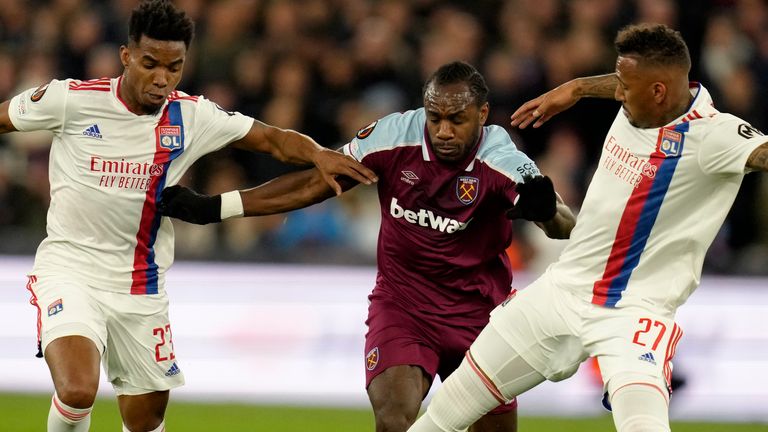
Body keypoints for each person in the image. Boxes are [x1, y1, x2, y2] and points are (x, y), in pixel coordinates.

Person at [0, 1, 377, 431]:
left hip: (140, 284)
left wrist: (317, 153)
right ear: (126, 56)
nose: (161, 78)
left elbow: (272, 139)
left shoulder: (192, 115)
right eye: (150, 64)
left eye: (174, 67)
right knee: (77, 389)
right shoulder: (69, 100)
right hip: (70, 269)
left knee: (145, 419)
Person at [159, 60, 576, 432]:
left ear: (482, 115)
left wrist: (545, 212)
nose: (444, 131)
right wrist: (216, 207)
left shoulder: (504, 161)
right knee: (394, 419)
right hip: (404, 307)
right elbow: (316, 182)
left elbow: (564, 226)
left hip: (481, 317)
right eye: (435, 118)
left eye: (457, 120)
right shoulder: (393, 137)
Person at [404, 24, 768, 432]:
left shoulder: (714, 135)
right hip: (560, 292)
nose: (617, 93)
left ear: (659, 92)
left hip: (632, 315)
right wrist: (576, 88)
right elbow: (631, 79)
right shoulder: (641, 97)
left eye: (624, 88)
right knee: (440, 418)